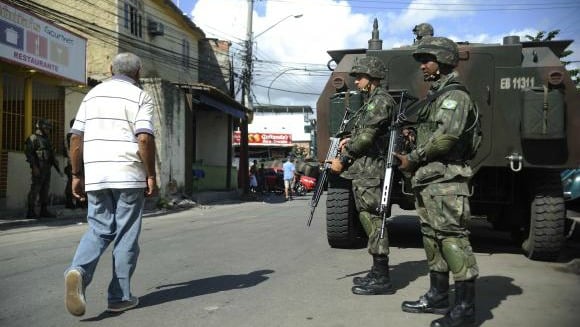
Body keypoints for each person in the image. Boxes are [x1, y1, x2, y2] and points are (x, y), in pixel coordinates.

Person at [393, 37, 479, 327]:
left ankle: (465, 309)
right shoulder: (437, 95)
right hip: (430, 180)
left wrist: (412, 158)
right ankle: (438, 295)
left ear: (442, 61)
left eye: (427, 60)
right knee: (431, 238)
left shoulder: (455, 96)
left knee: (452, 239)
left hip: (447, 180)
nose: (422, 66)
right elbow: (432, 133)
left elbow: (446, 139)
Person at [64, 52, 156, 316]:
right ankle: (119, 296)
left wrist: (76, 174)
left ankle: (78, 271)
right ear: (138, 73)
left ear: (109, 69)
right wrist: (150, 174)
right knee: (126, 234)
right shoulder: (140, 96)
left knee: (99, 229)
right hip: (128, 174)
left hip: (96, 175)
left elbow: (76, 138)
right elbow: (144, 139)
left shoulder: (91, 96)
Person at [328, 56, 396, 295]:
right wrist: (350, 139)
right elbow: (365, 133)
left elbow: (368, 138)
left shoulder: (380, 101)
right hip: (364, 168)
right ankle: (378, 272)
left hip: (370, 169)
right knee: (367, 216)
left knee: (373, 218)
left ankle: (382, 277)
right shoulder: (372, 101)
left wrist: (343, 158)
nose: (356, 82)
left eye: (360, 77)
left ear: (373, 77)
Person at [24, 118, 63, 218]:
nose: (48, 130)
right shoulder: (33, 138)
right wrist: (34, 167)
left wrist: (56, 165)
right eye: (46, 128)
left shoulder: (47, 139)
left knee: (45, 190)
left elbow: (51, 155)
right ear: (40, 127)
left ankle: (43, 210)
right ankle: (31, 211)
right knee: (35, 189)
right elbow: (30, 154)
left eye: (49, 129)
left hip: (47, 168)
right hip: (38, 168)